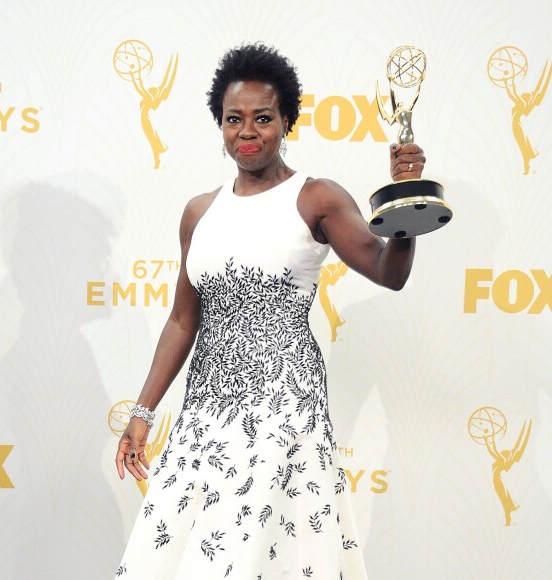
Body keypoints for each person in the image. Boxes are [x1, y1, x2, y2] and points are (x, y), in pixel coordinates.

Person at [114, 43, 426, 579]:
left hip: (284, 405)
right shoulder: (199, 212)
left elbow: (388, 272)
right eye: (234, 119)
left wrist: (405, 197)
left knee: (265, 549)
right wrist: (142, 413)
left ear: (287, 122)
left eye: (263, 118)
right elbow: (182, 320)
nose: (248, 131)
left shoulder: (317, 198)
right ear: (220, 125)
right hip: (206, 408)